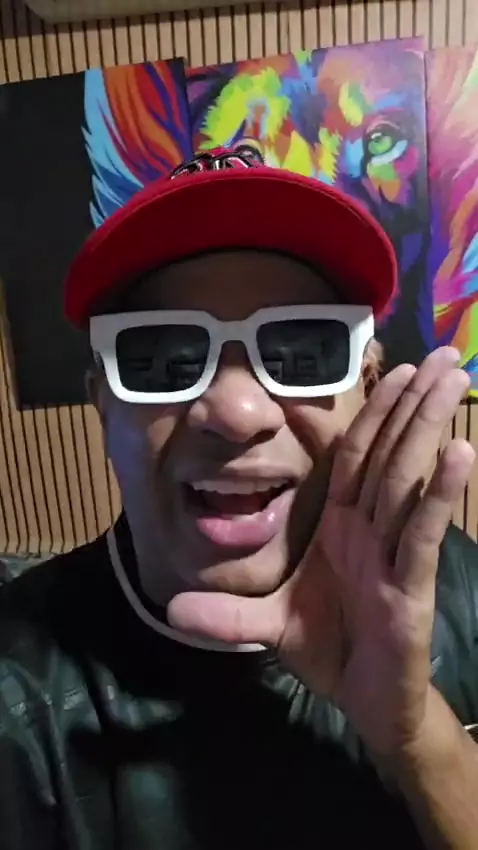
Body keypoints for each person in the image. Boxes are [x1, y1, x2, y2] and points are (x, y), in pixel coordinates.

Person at [1, 146, 477, 850]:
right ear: (104, 406)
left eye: (303, 352)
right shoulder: (17, 689)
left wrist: (415, 735)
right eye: (163, 357)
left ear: (369, 389)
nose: (237, 412)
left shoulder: (458, 587)